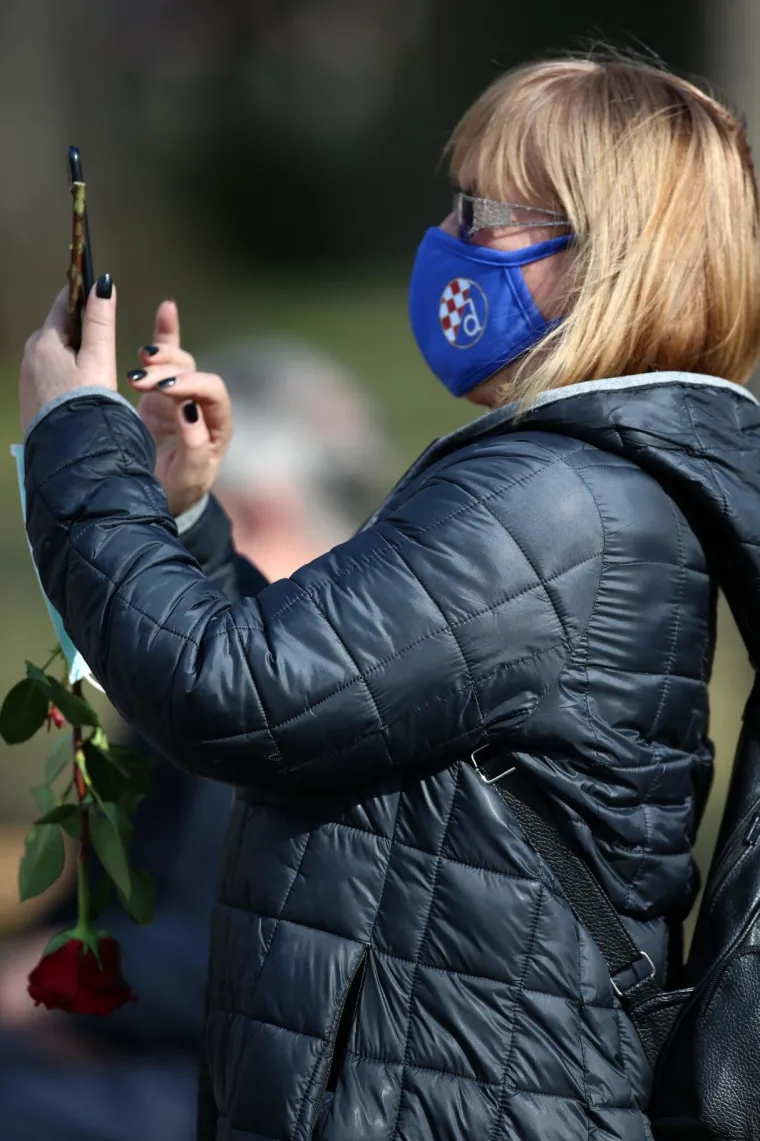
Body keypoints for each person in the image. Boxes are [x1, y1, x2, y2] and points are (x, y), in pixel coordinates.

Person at [15, 53, 760, 1141]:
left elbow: (236, 694)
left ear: (612, 256)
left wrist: (73, 437)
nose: (446, 241)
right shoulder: (576, 485)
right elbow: (327, 702)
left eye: (482, 212)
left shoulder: (554, 500)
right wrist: (177, 513)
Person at [0, 337, 386, 1141]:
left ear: (259, 509)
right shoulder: (240, 665)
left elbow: (249, 956)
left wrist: (47, 986)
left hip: (216, 1087)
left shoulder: (278, 689)